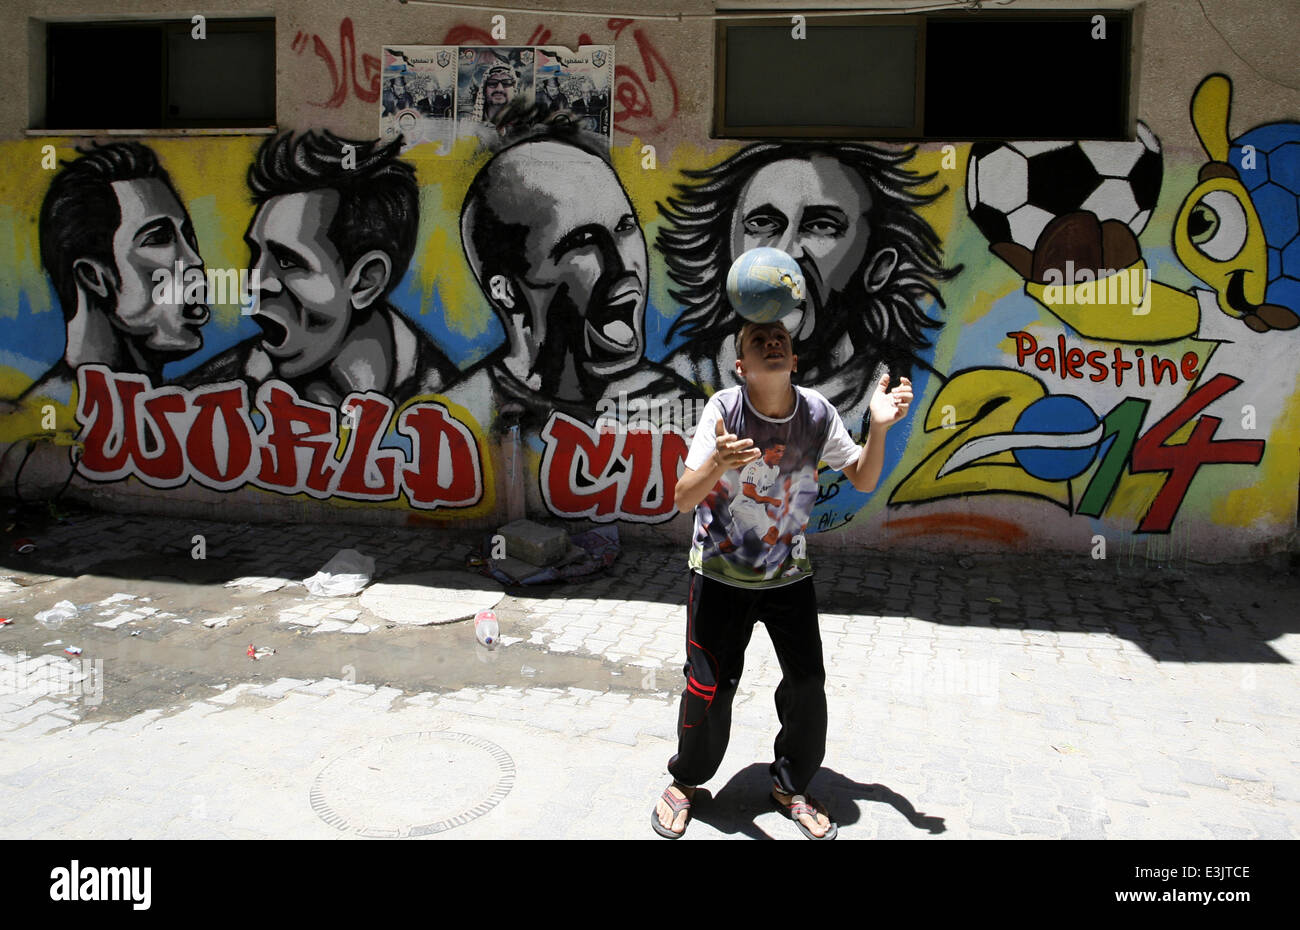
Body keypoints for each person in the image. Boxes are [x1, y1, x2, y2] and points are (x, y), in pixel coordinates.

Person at [651, 319, 912, 839]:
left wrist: (878, 428)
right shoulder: (724, 410)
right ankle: (686, 781)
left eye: (782, 342)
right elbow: (682, 498)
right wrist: (717, 463)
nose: (772, 345)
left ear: (793, 362)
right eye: (758, 341)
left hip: (788, 577)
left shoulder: (816, 413)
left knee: (807, 684)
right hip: (720, 576)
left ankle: (790, 784)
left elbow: (861, 475)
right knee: (709, 686)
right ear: (741, 366)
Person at [657, 142, 958, 434]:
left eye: (822, 226)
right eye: (762, 223)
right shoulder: (681, 384)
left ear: (877, 268)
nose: (787, 252)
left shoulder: (917, 398)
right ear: (730, 254)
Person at [178, 130, 458, 407]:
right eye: (256, 255)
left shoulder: (451, 406)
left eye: (287, 261)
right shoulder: (204, 401)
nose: (255, 283)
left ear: (365, 281)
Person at [455, 126, 699, 432]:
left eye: (624, 228)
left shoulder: (677, 413)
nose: (622, 265)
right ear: (504, 289)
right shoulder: (460, 421)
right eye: (583, 241)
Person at [15, 141, 210, 406]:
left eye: (188, 237)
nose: (194, 260)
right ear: (94, 277)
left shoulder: (166, 413)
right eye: (159, 238)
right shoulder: (51, 422)